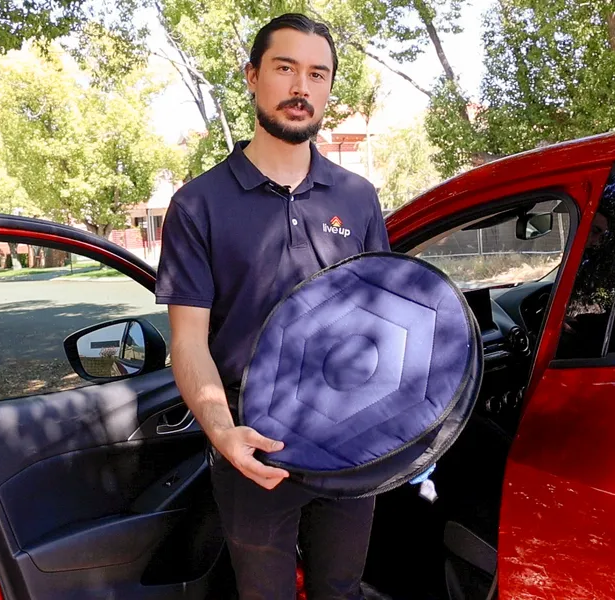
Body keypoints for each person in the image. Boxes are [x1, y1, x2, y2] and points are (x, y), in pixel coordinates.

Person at [155, 13, 390, 600]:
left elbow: (381, 320)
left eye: (318, 74)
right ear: (252, 76)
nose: (300, 88)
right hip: (251, 440)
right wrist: (223, 433)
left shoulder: (358, 199)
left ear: (330, 88)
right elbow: (187, 342)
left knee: (342, 587)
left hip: (348, 437)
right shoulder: (198, 205)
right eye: (285, 68)